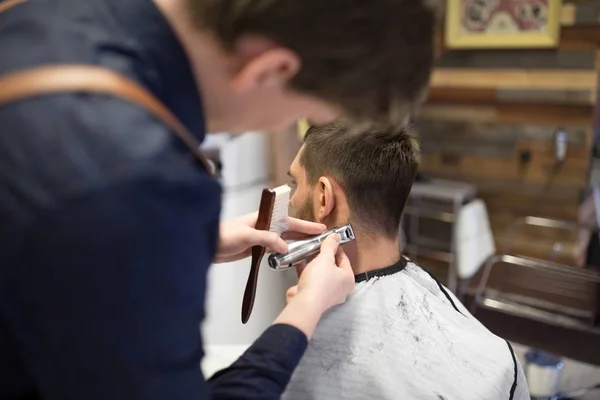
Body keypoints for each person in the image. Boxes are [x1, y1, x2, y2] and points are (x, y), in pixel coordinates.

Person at [0, 0, 439, 399]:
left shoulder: (51, 16)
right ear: (270, 69)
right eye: (305, 111)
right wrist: (305, 310)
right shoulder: (138, 181)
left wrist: (197, 242)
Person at [283, 122, 530, 400]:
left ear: (323, 198)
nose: (289, 200)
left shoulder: (295, 350)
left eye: (294, 184)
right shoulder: (500, 361)